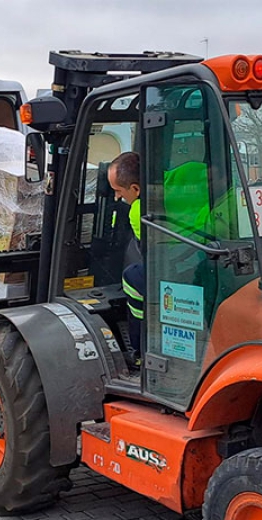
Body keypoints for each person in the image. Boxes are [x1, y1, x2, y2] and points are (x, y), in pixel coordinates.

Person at [108, 152, 144, 365]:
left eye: (118, 191)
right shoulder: (178, 182)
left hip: (177, 272)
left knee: (132, 277)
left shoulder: (138, 212)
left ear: (136, 189)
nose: (116, 198)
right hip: (200, 257)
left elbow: (147, 250)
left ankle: (139, 351)